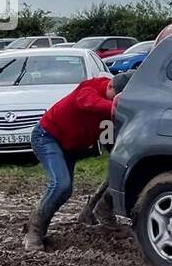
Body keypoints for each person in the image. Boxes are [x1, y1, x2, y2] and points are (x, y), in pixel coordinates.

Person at [23, 70, 131, 251]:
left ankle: (95, 211)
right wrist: (116, 105)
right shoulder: (90, 89)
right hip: (48, 137)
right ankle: (33, 231)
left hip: (71, 146)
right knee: (60, 185)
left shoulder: (109, 111)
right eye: (116, 98)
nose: (117, 103)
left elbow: (107, 135)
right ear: (111, 86)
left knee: (120, 166)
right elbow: (87, 102)